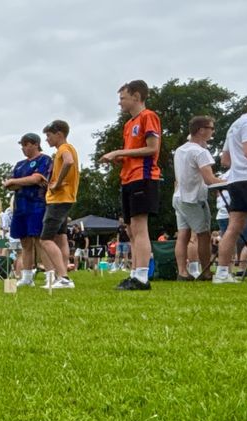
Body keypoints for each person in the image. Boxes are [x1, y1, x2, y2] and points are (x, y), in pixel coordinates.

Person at [100, 80, 162, 290]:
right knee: (130, 229)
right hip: (128, 178)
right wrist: (119, 158)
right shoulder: (128, 125)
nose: (120, 103)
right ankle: (135, 273)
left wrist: (120, 152)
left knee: (139, 226)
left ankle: (142, 277)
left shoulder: (148, 116)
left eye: (122, 98)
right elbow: (134, 151)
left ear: (136, 96)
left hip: (143, 177)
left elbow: (152, 148)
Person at [171, 116, 221, 280]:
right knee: (203, 235)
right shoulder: (200, 152)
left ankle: (182, 272)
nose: (212, 132)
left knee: (183, 235)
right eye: (211, 129)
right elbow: (210, 180)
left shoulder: (180, 150)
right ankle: (206, 272)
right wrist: (229, 181)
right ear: (201, 130)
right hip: (193, 199)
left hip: (179, 197)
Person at [2, 134, 52, 288]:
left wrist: (16, 182)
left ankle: (50, 276)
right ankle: (27, 276)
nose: (23, 148)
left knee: (39, 240)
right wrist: (18, 182)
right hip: (20, 206)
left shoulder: (44, 160)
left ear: (35, 144)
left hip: (37, 204)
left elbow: (37, 179)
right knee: (24, 242)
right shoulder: (19, 165)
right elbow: (10, 185)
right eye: (22, 145)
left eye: (26, 145)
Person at [40, 120, 80, 288]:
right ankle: (61, 276)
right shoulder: (69, 148)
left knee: (45, 240)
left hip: (59, 200)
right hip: (66, 198)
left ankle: (63, 277)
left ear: (59, 134)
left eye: (49, 136)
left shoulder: (63, 149)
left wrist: (57, 184)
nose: (47, 140)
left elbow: (68, 161)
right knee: (61, 238)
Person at [214, 103, 247, 283]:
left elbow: (225, 160)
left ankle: (222, 273)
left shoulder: (234, 124)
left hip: (236, 180)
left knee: (233, 227)